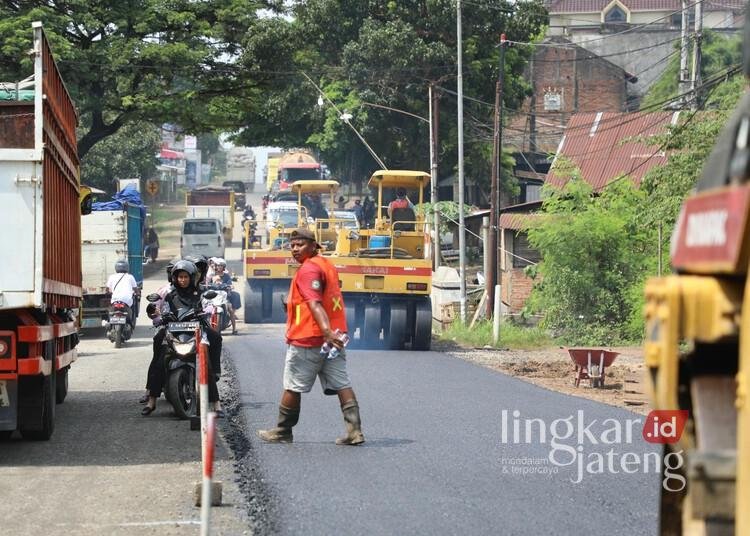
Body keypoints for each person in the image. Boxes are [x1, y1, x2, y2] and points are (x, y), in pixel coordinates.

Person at [257, 228, 364, 445]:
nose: (295, 249)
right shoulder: (326, 265)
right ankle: (355, 432)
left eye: (300, 244)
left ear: (314, 245)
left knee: (293, 385)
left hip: (309, 339)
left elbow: (314, 303)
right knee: (342, 383)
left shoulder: (308, 270)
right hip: (334, 340)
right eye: (292, 245)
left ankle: (283, 430)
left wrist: (324, 331)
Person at [142, 260, 224, 417]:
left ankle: (216, 403)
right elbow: (158, 310)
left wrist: (205, 311)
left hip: (196, 331)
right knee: (159, 360)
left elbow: (209, 305)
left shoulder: (200, 293)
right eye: (180, 277)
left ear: (192, 277)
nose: (183, 280)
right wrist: (155, 313)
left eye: (186, 277)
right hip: (174, 332)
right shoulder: (170, 295)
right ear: (175, 278)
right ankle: (151, 400)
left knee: (208, 357)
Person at [106, 259, 140, 329]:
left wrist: (109, 292)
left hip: (115, 300)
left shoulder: (112, 277)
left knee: (110, 310)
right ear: (127, 268)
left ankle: (110, 322)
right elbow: (135, 289)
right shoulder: (130, 277)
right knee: (133, 307)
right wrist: (138, 293)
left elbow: (108, 290)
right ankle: (132, 322)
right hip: (127, 301)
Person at [212, 258, 239, 334]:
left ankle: (234, 329)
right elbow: (207, 283)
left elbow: (230, 284)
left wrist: (229, 286)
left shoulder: (226, 276)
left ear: (223, 267)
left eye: (221, 266)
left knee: (230, 310)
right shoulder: (212, 275)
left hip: (224, 297)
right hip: (213, 296)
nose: (219, 267)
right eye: (218, 266)